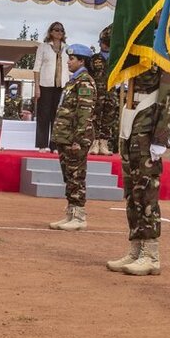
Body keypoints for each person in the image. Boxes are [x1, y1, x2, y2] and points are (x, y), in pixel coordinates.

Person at [106, 63, 170, 275]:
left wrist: (161, 137)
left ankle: (151, 255)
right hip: (132, 122)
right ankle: (135, 249)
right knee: (132, 192)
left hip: (148, 127)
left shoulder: (163, 49)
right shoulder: (135, 45)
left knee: (146, 193)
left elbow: (168, 96)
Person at [47, 43, 97, 231]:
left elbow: (84, 113)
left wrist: (78, 139)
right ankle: (70, 213)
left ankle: (79, 215)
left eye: (72, 59)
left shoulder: (84, 81)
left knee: (76, 176)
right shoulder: (73, 81)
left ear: (82, 61)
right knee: (69, 176)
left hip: (74, 138)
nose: (69, 62)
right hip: (65, 136)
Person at [33, 21, 69, 150]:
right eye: (56, 30)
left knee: (58, 115)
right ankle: (42, 144)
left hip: (62, 85)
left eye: (61, 30)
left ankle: (54, 145)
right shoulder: (43, 47)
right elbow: (36, 68)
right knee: (44, 114)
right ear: (51, 32)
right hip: (45, 84)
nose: (59, 32)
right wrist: (37, 87)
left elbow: (69, 68)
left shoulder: (67, 48)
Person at [88, 25, 119, 155]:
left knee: (108, 119)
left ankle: (104, 143)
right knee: (95, 118)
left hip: (111, 93)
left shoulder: (116, 59)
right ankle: (94, 143)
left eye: (108, 43)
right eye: (104, 42)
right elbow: (89, 76)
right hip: (97, 93)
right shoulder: (94, 59)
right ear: (100, 43)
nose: (105, 45)